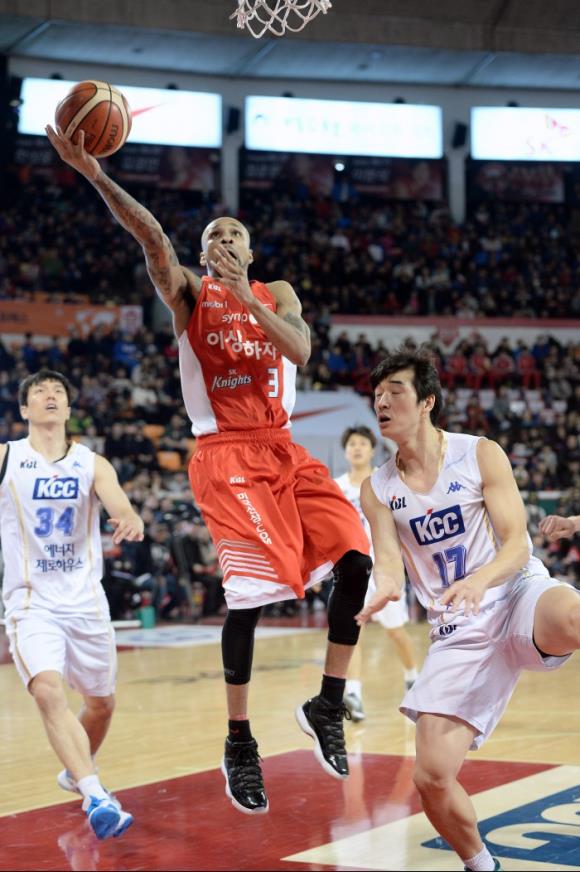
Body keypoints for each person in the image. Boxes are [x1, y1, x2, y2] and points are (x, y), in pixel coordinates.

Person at [46, 126, 372, 816]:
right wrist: (96, 174)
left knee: (357, 558)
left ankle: (328, 703)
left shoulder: (275, 291)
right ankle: (239, 742)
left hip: (285, 449)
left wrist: (249, 296)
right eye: (213, 237)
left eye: (234, 236)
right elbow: (152, 239)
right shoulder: (190, 293)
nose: (223, 241)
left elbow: (301, 350)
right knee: (247, 600)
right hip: (225, 455)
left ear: (249, 252)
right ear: (200, 255)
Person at [356, 346, 580, 872]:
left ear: (427, 401)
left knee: (573, 617)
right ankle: (482, 866)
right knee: (431, 777)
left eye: (395, 393)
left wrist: (479, 580)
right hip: (457, 630)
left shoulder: (479, 453)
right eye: (377, 395)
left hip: (515, 593)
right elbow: (388, 563)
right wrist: (382, 589)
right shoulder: (378, 488)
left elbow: (518, 545)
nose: (382, 403)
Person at [0, 370, 144, 839]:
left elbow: (119, 503)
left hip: (85, 603)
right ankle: (95, 794)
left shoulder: (91, 463)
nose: (50, 396)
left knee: (101, 704)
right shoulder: (7, 458)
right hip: (31, 602)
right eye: (39, 392)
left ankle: (76, 769)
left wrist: (129, 517)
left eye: (58, 392)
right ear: (24, 409)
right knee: (47, 690)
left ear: (67, 408)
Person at [334, 425, 418, 721]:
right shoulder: (336, 487)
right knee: (352, 632)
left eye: (362, 443)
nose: (356, 448)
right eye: (352, 444)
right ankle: (354, 694)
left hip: (384, 566)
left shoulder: (385, 482)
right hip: (350, 569)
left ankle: (413, 677)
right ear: (346, 451)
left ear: (372, 450)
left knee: (396, 632)